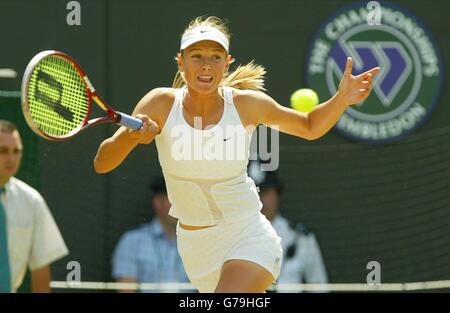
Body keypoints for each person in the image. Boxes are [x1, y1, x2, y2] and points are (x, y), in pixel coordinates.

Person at [93, 16, 380, 293]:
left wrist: (342, 99)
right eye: (197, 56)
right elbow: (102, 163)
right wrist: (130, 137)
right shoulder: (160, 103)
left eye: (216, 57)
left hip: (247, 235)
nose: (206, 65)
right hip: (195, 247)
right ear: (180, 61)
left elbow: (309, 126)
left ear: (227, 63)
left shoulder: (247, 105)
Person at [0, 120, 68, 293]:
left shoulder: (31, 200)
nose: (11, 158)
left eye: (16, 151)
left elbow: (41, 269)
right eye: (3, 151)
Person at [248, 160, 328, 292]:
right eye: (254, 193)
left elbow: (320, 288)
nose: (260, 199)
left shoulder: (301, 238)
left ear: (277, 194)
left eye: (266, 192)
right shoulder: (230, 237)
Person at [111, 175, 189, 292]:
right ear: (159, 203)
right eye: (176, 199)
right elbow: (126, 290)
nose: (184, 205)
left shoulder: (197, 241)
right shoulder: (132, 241)